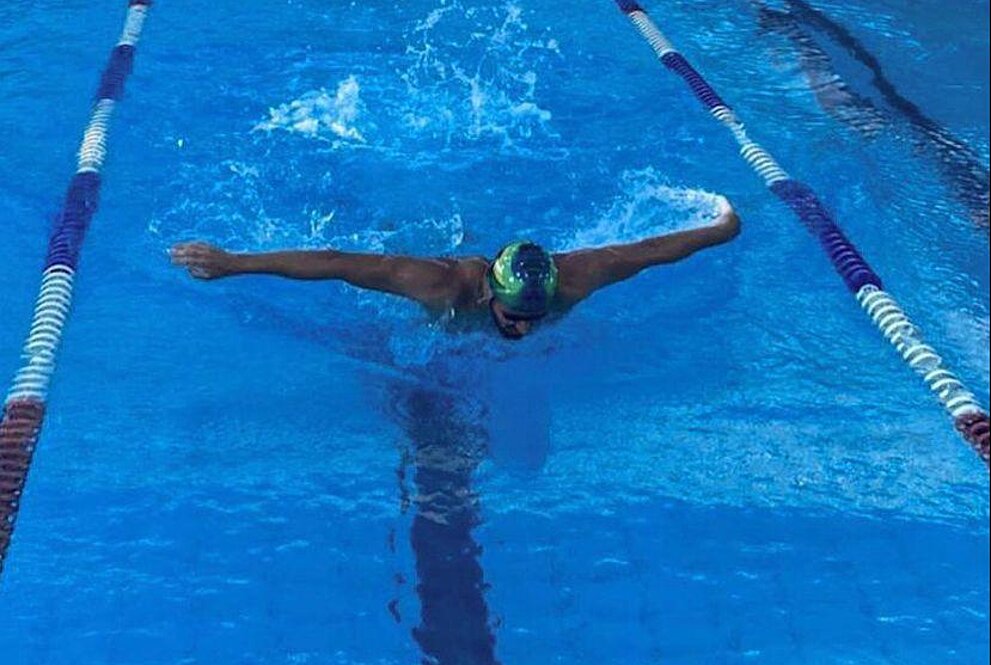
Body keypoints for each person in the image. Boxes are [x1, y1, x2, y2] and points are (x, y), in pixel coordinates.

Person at [170, 196, 740, 339]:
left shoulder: (573, 279)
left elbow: (647, 252)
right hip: (438, 290)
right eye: (515, 316)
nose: (525, 328)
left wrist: (721, 230)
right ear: (491, 294)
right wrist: (235, 263)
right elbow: (337, 263)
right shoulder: (444, 288)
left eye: (534, 317)